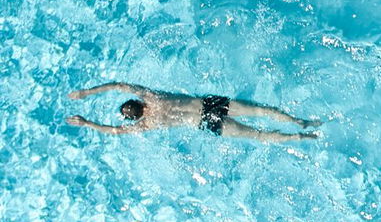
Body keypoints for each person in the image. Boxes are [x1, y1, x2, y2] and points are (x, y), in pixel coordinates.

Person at [66, 82, 320, 144]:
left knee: (258, 136)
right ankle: (300, 122)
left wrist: (88, 123)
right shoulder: (151, 96)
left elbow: (115, 131)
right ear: (137, 99)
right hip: (209, 105)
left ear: (137, 116)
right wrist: (87, 93)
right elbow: (117, 85)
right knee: (260, 111)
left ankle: (299, 139)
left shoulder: (148, 123)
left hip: (205, 123)